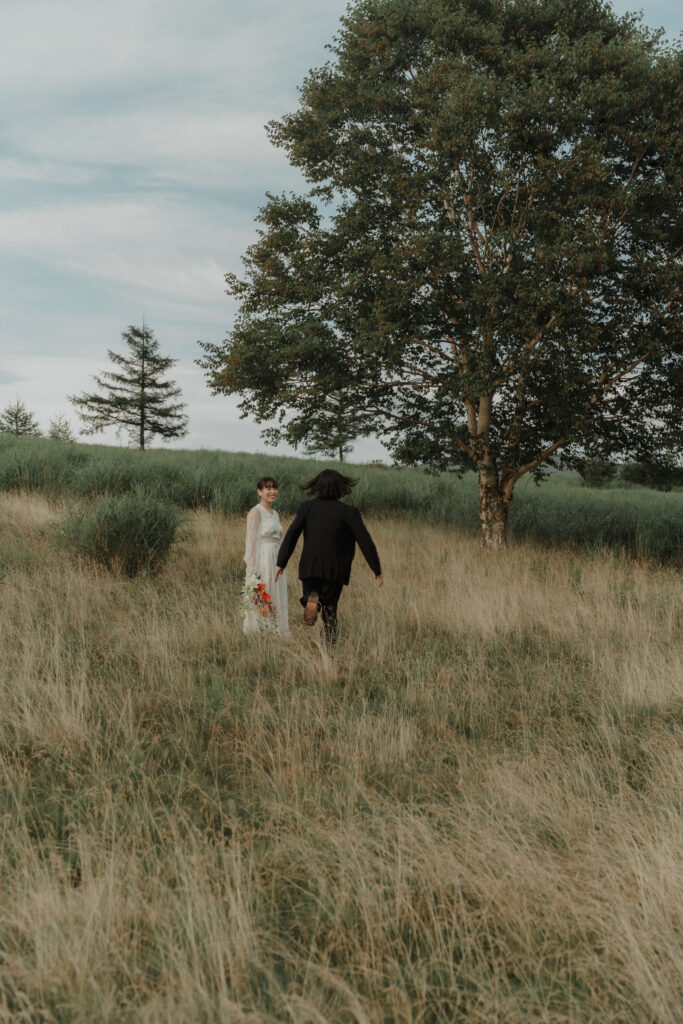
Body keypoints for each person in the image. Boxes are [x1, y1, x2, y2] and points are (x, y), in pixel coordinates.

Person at [275, 469, 383, 642]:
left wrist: (281, 562)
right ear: (340, 487)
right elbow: (365, 540)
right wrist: (376, 569)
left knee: (312, 591)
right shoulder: (349, 512)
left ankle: (311, 596)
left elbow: (292, 534)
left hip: (310, 566)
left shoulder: (307, 507)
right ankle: (330, 647)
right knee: (330, 609)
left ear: (317, 486)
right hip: (335, 568)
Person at [243, 477, 290, 637]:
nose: (272, 492)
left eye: (275, 488)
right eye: (268, 488)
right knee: (264, 591)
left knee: (277, 591)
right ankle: (262, 630)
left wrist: (282, 560)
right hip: (263, 558)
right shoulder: (255, 512)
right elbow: (250, 541)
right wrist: (252, 570)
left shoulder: (275, 513)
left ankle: (277, 629)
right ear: (259, 492)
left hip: (276, 557)